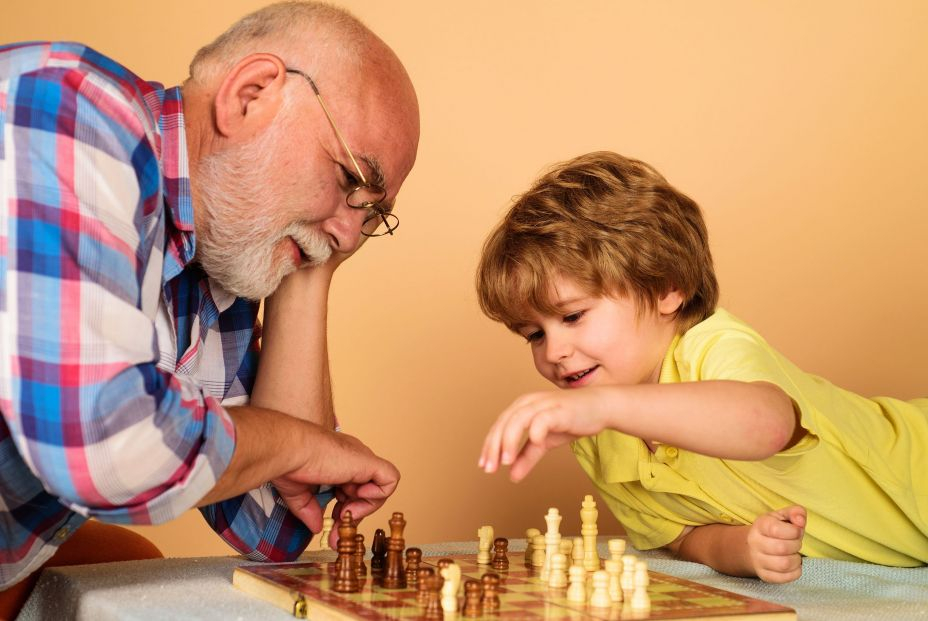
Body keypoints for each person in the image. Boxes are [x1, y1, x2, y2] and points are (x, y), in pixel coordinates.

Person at [0, 1, 419, 614]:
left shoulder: (210, 259)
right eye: (351, 180)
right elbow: (104, 448)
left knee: (128, 570)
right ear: (251, 95)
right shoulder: (64, 110)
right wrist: (297, 444)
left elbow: (277, 523)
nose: (353, 234)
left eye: (372, 214)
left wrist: (312, 262)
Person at [475, 151, 927, 583]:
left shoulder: (710, 347)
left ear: (665, 289)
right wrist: (743, 548)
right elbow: (682, 536)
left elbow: (768, 425)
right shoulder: (597, 438)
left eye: (573, 316)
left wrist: (603, 407)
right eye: (534, 335)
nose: (553, 351)